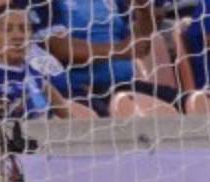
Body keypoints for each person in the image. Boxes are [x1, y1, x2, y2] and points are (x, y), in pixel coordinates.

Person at [30, 0, 179, 114]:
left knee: (182, 101)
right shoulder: (47, 3)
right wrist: (119, 50)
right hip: (82, 90)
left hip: (125, 85)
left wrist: (144, 10)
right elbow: (57, 47)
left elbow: (139, 46)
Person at [0, 6, 96, 119]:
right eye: (7, 29)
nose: (18, 36)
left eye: (24, 29)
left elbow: (68, 117)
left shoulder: (36, 76)